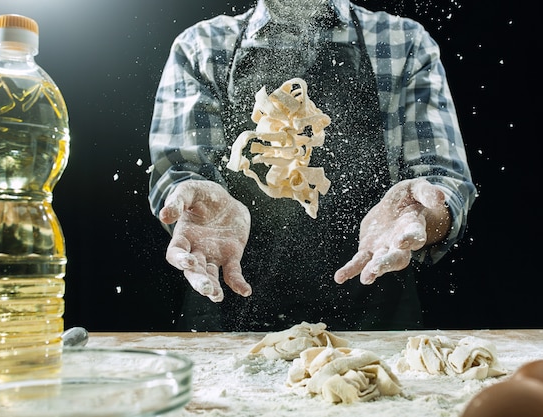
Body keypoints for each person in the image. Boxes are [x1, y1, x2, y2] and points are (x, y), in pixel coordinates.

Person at [148, 0, 476, 331]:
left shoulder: (404, 41)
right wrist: (194, 202)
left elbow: (441, 183)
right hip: (228, 317)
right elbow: (182, 172)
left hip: (376, 319)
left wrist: (419, 213)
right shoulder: (201, 46)